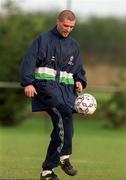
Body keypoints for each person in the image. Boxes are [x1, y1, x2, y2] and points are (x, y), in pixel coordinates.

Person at [20, 10, 87, 180]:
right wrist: (28, 82)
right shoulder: (43, 39)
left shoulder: (74, 46)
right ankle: (64, 155)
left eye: (72, 27)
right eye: (65, 25)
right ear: (58, 21)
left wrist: (80, 81)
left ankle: (47, 171)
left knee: (64, 124)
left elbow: (78, 70)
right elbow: (29, 61)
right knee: (64, 116)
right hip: (45, 88)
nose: (68, 29)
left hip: (66, 91)